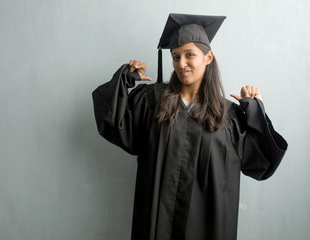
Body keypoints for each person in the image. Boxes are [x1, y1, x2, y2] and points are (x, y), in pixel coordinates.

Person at [92, 13, 288, 240]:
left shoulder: (229, 116)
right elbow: (114, 122)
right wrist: (125, 78)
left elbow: (262, 160)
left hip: (208, 226)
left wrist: (255, 110)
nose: (181, 63)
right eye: (176, 57)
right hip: (158, 224)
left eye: (189, 55)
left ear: (208, 57)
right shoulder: (152, 102)